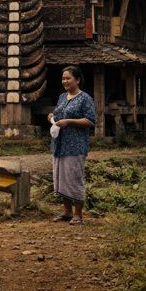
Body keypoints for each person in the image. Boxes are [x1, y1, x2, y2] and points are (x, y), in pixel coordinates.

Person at [47, 65, 96, 225]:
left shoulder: (85, 98)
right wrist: (52, 117)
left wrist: (69, 121)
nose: (65, 81)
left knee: (74, 178)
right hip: (59, 145)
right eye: (63, 78)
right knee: (62, 178)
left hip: (75, 145)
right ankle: (67, 212)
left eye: (68, 78)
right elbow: (59, 115)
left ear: (78, 80)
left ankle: (78, 215)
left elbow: (90, 121)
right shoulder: (62, 97)